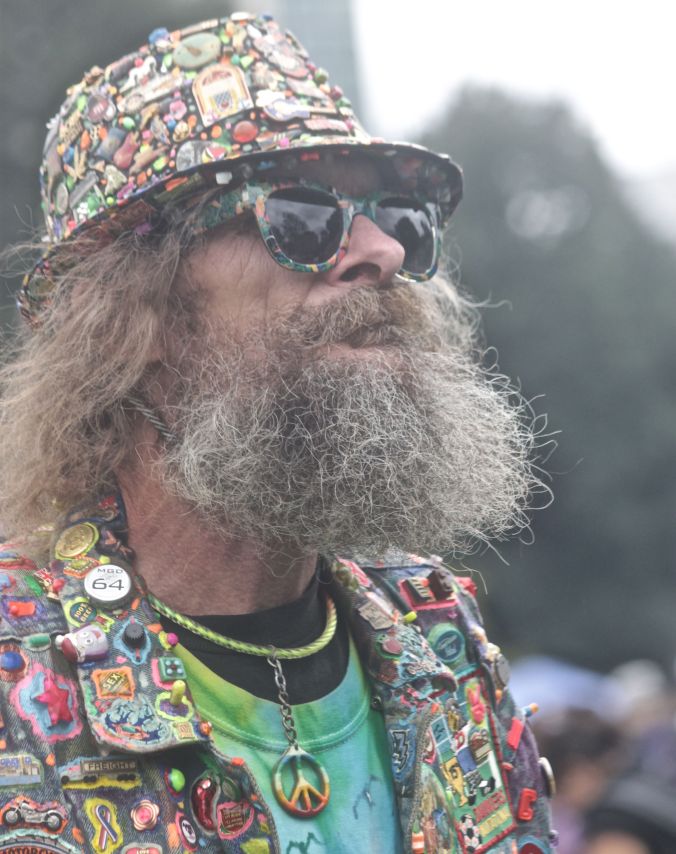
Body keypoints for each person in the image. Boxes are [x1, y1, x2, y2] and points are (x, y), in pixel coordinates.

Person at [0, 12, 555, 853]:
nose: (382, 252)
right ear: (132, 317)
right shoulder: (18, 671)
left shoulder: (444, 641)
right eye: (302, 217)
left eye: (401, 218)